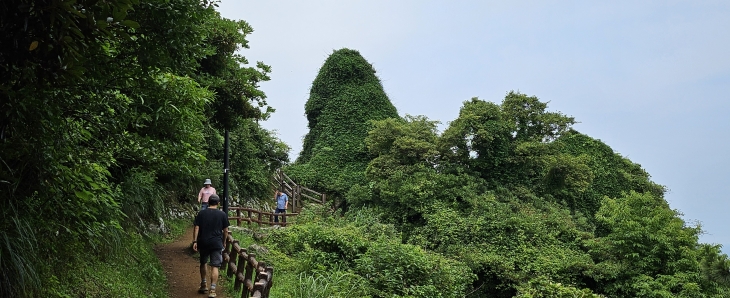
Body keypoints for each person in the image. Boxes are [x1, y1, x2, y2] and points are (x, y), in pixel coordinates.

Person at [192, 194, 229, 298]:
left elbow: (196, 228)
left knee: (203, 262)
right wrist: (224, 241)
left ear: (208, 202)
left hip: (203, 242)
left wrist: (195, 241)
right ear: (218, 203)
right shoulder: (222, 214)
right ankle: (213, 289)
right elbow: (225, 230)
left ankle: (204, 284)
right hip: (216, 243)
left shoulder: (201, 213)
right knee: (215, 266)